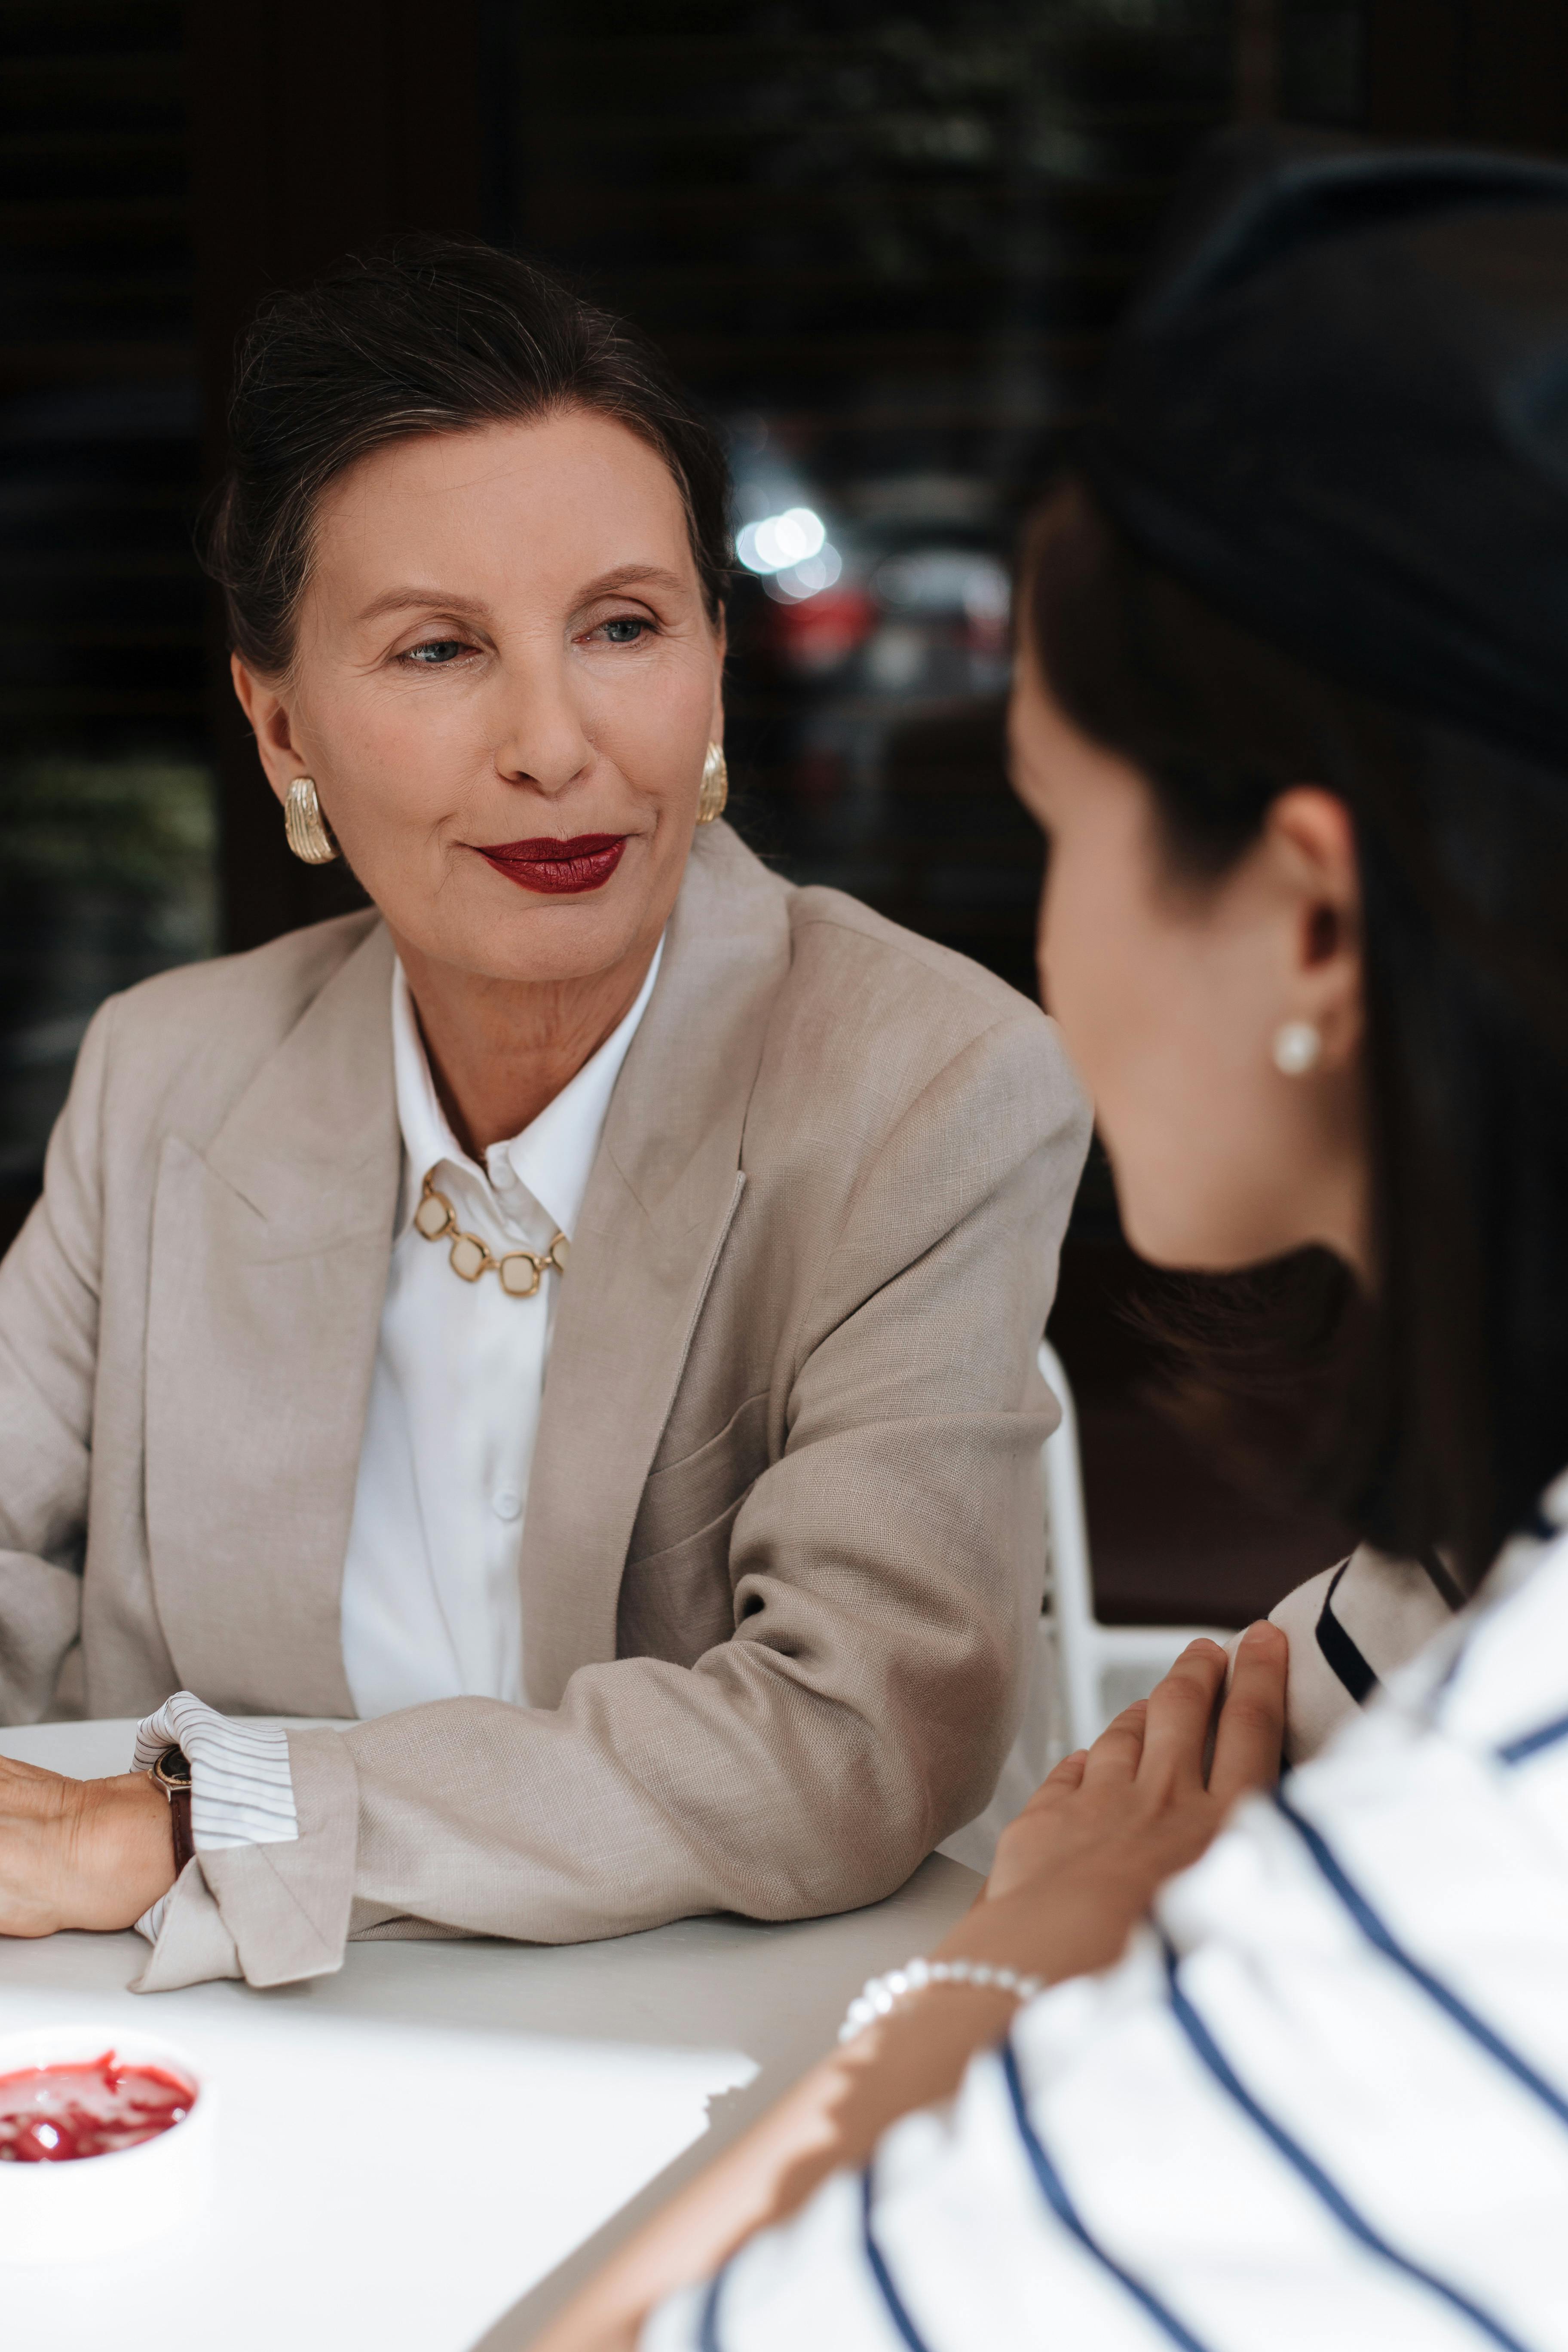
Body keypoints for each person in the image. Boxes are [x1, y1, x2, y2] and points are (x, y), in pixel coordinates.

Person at [538, 133, 1568, 2350]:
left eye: (1052, 827)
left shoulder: (1497, 1860)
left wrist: (1007, 1970)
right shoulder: (1436, 1597)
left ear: (1307, 910)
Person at [0, 243, 1090, 1987]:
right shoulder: (166, 1071)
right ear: (279, 723)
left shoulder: (931, 1080)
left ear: (718, 664)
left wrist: (199, 1824)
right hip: (213, 2054)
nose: (553, 742)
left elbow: (853, 1740)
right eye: (439, 650)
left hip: (729, 2060)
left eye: (623, 629)